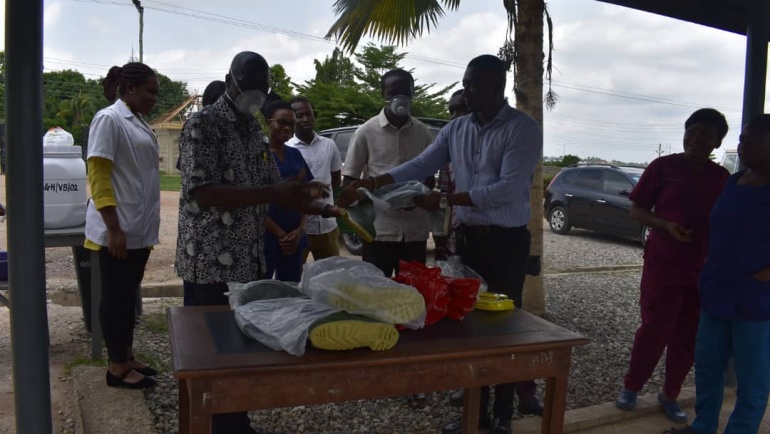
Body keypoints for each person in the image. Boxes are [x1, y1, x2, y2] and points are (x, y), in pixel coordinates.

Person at [337, 54, 544, 434]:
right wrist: (375, 182)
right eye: (464, 82)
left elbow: (508, 189)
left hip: (506, 243)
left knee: (504, 329)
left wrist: (448, 200)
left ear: (498, 86)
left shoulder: (522, 129)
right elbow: (421, 164)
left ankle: (502, 412)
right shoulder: (457, 129)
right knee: (471, 327)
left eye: (474, 85)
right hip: (469, 242)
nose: (466, 90)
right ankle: (475, 410)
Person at [176, 51, 337, 434]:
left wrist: (321, 204)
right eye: (249, 85)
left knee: (239, 344)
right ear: (230, 80)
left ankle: (234, 420)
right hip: (210, 259)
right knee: (209, 350)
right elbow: (203, 192)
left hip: (248, 257)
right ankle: (208, 422)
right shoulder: (203, 125)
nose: (256, 93)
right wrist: (274, 191)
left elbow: (276, 187)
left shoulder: (251, 128)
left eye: (262, 87)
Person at [614, 108, 730, 423]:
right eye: (691, 132)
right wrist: (665, 225)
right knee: (654, 328)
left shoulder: (722, 178)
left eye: (705, 135)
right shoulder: (663, 167)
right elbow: (637, 211)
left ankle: (671, 393)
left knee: (688, 334)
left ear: (717, 142)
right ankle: (632, 387)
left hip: (704, 269)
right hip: (663, 264)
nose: (695, 139)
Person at [666, 114, 770, 434]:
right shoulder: (734, 181)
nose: (743, 145)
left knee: (752, 378)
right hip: (716, 291)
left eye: (752, 140)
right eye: (742, 139)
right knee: (708, 367)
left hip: (757, 300)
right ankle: (702, 426)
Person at [84, 62, 160, 389]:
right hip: (118, 230)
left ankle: (126, 355)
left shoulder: (138, 122)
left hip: (137, 230)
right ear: (129, 89)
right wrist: (113, 228)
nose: (154, 98)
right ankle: (116, 368)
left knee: (128, 296)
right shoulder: (109, 119)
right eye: (149, 91)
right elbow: (99, 176)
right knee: (115, 298)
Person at [341, 68, 434, 278]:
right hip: (378, 233)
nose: (400, 98)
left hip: (414, 233)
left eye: (406, 93)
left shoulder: (423, 132)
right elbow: (350, 180)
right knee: (375, 295)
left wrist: (419, 197)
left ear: (412, 94)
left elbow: (429, 178)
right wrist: (370, 206)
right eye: (393, 93)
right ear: (383, 94)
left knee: (413, 296)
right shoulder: (366, 131)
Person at [180, 79, 226, 306]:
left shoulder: (229, 131)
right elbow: (203, 190)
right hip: (203, 238)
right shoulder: (199, 126)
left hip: (222, 242)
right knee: (200, 309)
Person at [263, 100, 314, 282]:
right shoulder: (258, 156)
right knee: (261, 293)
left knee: (290, 292)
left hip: (295, 237)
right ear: (269, 122)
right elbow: (253, 202)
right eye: (281, 122)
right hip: (266, 238)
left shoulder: (295, 155)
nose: (286, 128)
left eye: (291, 124)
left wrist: (300, 230)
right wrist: (280, 235)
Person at [287, 96, 343, 261]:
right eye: (299, 115)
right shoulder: (288, 148)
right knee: (293, 279)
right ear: (293, 119)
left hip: (327, 226)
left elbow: (335, 179)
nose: (305, 119)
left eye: (308, 114)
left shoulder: (329, 145)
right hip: (298, 228)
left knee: (331, 277)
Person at [433, 89, 470, 261]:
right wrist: (440, 243)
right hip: (455, 243)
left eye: (461, 110)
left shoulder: (495, 150)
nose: (455, 116)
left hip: (490, 243)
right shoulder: (448, 154)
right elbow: (443, 205)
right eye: (451, 111)